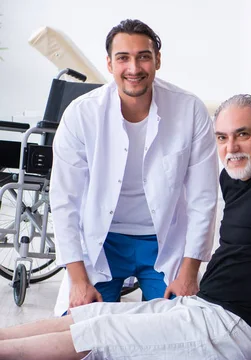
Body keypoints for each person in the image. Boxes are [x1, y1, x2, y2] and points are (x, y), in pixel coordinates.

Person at [0, 95, 251, 360]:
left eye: (243, 135)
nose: (231, 148)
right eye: (223, 138)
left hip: (231, 332)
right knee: (94, 313)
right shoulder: (236, 176)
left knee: (99, 334)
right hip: (210, 309)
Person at [49, 19, 219, 316]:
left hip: (163, 242)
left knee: (179, 328)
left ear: (157, 60)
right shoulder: (81, 114)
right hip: (103, 242)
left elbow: (203, 198)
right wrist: (77, 279)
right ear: (109, 63)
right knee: (81, 332)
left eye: (143, 56)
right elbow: (65, 200)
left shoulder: (190, 110)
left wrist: (190, 272)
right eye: (123, 58)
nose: (134, 68)